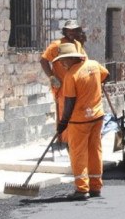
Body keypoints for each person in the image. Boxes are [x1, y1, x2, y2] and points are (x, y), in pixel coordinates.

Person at [54, 43, 110, 200]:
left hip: (79, 121)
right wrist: (93, 89)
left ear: (73, 58)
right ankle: (95, 186)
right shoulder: (94, 65)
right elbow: (107, 75)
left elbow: (70, 102)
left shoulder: (71, 75)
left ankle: (82, 189)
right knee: (95, 150)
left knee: (78, 153)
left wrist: (63, 123)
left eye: (64, 60)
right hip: (97, 116)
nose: (62, 63)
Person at [40, 20, 86, 148]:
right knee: (64, 115)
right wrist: (52, 77)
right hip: (62, 87)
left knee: (74, 115)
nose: (71, 32)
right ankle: (64, 142)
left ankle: (73, 141)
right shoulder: (56, 45)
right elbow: (43, 60)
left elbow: (84, 62)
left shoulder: (77, 44)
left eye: (74, 30)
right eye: (69, 30)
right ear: (65, 31)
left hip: (77, 86)